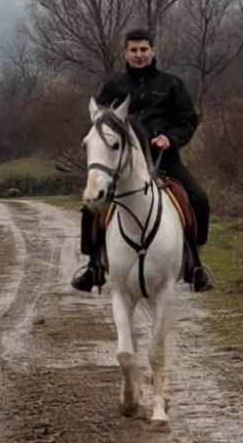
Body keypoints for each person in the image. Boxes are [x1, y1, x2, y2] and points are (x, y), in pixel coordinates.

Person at [73, 28, 212, 293]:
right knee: (92, 204)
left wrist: (170, 138)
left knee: (198, 199)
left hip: (164, 159)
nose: (139, 55)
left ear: (153, 51)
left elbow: (188, 120)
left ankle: (195, 264)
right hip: (125, 166)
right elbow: (101, 124)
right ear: (125, 52)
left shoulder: (172, 84)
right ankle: (93, 266)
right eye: (133, 50)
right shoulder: (114, 86)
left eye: (144, 49)